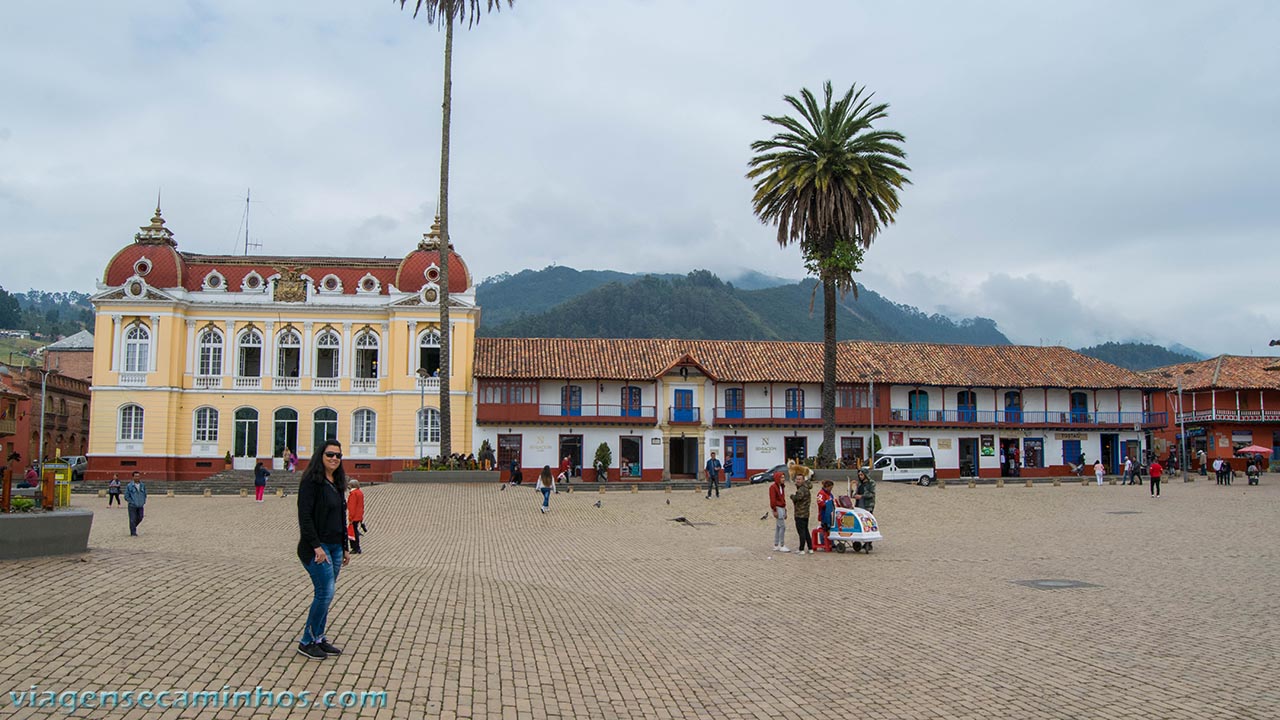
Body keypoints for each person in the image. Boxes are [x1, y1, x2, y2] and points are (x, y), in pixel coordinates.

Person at [295, 441, 351, 661]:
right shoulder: (311, 482)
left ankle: (318, 637)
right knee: (324, 593)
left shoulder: (336, 482)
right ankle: (306, 642)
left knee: (327, 595)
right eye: (330, 454)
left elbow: (340, 517)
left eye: (338, 455)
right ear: (320, 455)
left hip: (335, 547)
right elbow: (305, 517)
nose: (334, 459)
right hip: (316, 548)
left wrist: (345, 547)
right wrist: (317, 547)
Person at [790, 472, 812, 554]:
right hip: (806, 514)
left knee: (801, 532)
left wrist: (792, 496)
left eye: (799, 479)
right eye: (797, 479)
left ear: (803, 480)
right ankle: (810, 548)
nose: (798, 481)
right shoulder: (806, 488)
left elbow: (797, 498)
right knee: (806, 531)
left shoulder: (801, 490)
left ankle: (801, 549)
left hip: (800, 514)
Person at [769, 471, 789, 553]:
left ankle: (776, 544)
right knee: (782, 526)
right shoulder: (773, 487)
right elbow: (772, 499)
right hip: (777, 507)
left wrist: (785, 509)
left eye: (784, 477)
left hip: (782, 507)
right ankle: (781, 544)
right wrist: (774, 510)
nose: (783, 479)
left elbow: (782, 498)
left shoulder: (782, 487)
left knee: (778, 527)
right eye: (781, 477)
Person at [124, 471, 146, 536]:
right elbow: (126, 496)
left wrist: (143, 501)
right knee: (132, 519)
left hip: (140, 505)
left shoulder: (142, 485)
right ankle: (133, 532)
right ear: (133, 477)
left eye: (138, 476)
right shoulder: (129, 486)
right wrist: (132, 502)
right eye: (136, 476)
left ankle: (132, 527)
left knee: (140, 517)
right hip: (132, 505)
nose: (137, 477)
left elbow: (145, 493)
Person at [347, 479, 365, 554]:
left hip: (354, 516)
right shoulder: (359, 492)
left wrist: (350, 517)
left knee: (353, 532)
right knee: (355, 531)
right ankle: (356, 547)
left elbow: (352, 506)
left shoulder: (353, 494)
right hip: (358, 516)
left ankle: (355, 547)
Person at [816, 480, 835, 548]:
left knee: (830, 528)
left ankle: (831, 542)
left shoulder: (829, 494)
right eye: (830, 488)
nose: (831, 489)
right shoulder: (821, 494)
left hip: (830, 514)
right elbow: (820, 503)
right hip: (824, 514)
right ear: (827, 487)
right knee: (824, 528)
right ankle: (823, 542)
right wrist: (827, 504)